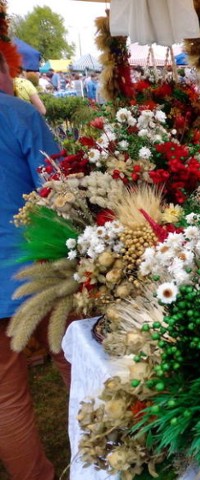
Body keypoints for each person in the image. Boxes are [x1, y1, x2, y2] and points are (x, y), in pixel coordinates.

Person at [0, 51, 66, 480]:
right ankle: (110, 451)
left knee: (6, 398)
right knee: (72, 358)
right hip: (38, 269)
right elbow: (59, 187)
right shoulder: (18, 114)